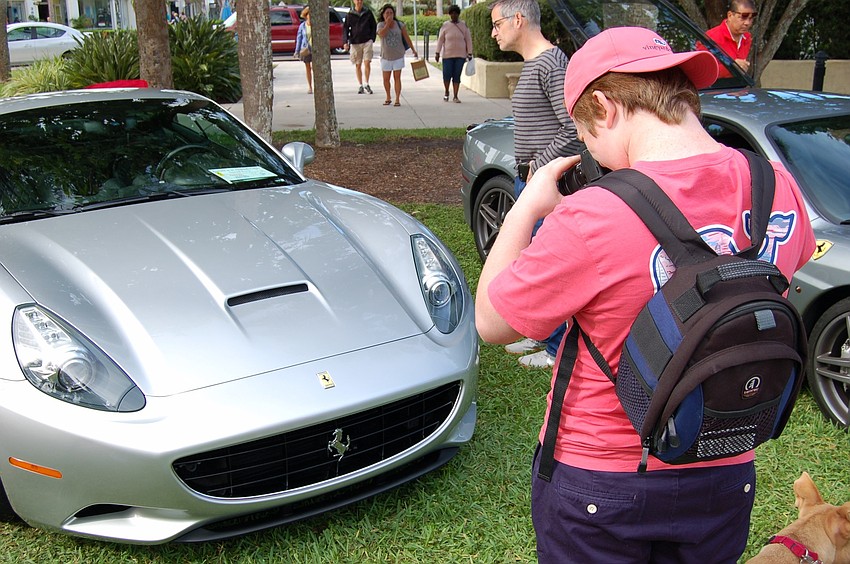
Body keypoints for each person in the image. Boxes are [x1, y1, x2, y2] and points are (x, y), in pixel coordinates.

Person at [475, 26, 816, 562]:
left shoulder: (596, 213)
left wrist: (527, 206)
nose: (592, 153)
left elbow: (493, 322)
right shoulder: (777, 184)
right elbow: (789, 264)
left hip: (603, 479)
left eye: (586, 137)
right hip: (724, 461)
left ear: (606, 109)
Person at [489, 0, 583, 368]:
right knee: (532, 261)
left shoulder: (552, 64)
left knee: (552, 265)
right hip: (529, 181)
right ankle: (540, 331)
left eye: (497, 24)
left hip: (547, 184)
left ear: (518, 19)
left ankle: (556, 346)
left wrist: (539, 167)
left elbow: (574, 127)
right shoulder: (535, 65)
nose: (494, 32)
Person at [376, 3, 417, 107]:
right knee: (386, 78)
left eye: (391, 13)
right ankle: (388, 96)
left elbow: (406, 37)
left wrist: (413, 49)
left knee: (397, 78)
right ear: (383, 14)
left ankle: (397, 98)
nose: (389, 15)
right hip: (386, 56)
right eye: (387, 13)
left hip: (398, 55)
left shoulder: (400, 25)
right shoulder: (380, 25)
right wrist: (387, 24)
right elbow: (381, 34)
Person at [706, 0, 756, 77]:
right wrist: (731, 67)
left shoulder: (747, 38)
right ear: (730, 15)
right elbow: (703, 72)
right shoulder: (711, 37)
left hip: (737, 87)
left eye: (750, 18)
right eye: (743, 17)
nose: (747, 23)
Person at [434, 5, 473, 103]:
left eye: (456, 13)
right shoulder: (445, 25)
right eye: (452, 13)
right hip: (447, 56)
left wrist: (470, 53)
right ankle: (446, 92)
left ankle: (455, 96)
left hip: (460, 56)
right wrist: (437, 52)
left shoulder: (463, 25)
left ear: (458, 14)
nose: (454, 15)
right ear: (450, 14)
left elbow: (468, 40)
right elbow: (440, 40)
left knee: (457, 76)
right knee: (446, 75)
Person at [343, 0, 378, 95]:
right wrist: (345, 41)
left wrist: (372, 38)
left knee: (367, 62)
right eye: (357, 0)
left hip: (367, 41)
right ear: (354, 1)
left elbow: (373, 26)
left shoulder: (368, 13)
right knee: (358, 64)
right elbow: (345, 28)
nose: (359, 2)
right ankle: (360, 84)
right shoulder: (350, 14)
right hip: (355, 42)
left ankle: (367, 83)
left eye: (361, 0)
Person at [294, 7, 314, 94]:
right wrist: (297, 51)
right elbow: (299, 38)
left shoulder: (317, 25)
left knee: (315, 68)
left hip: (315, 49)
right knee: (308, 68)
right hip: (306, 48)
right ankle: (310, 86)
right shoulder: (302, 26)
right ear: (306, 16)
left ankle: (317, 85)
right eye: (309, 14)